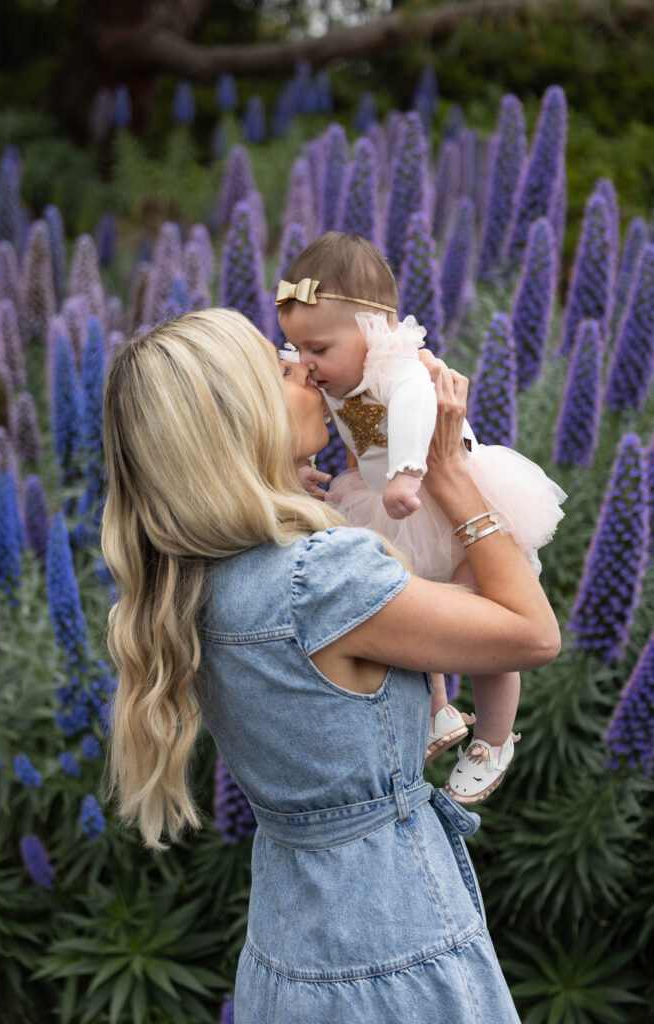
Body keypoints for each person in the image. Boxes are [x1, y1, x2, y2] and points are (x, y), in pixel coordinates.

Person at [101, 307, 560, 1022]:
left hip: (289, 941)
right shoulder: (321, 579)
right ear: (243, 421)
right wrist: (447, 472)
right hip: (394, 939)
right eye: (283, 371)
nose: (311, 373)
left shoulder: (192, 577)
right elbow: (531, 634)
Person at [276, 232, 566, 803]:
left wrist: (409, 471)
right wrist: (299, 463)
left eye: (317, 350)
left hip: (442, 496)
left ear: (372, 329)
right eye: (298, 351)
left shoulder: (395, 364)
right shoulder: (331, 361)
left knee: (486, 623)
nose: (306, 366)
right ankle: (438, 710)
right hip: (391, 504)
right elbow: (317, 419)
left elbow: (413, 404)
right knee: (412, 607)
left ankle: (493, 737)